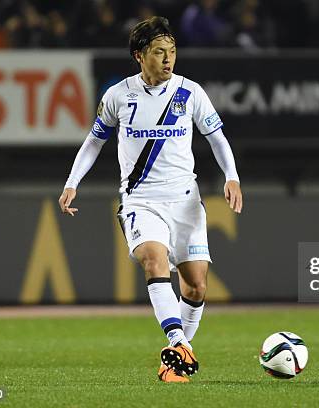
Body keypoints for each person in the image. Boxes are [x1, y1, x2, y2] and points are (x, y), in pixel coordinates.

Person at [58, 16, 243, 382]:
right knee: (154, 260)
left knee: (196, 286)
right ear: (140, 55)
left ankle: (176, 360)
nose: (168, 59)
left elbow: (217, 138)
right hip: (141, 200)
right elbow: (94, 141)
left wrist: (232, 176)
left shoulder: (190, 92)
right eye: (159, 52)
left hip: (186, 201)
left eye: (172, 51)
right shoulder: (118, 96)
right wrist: (71, 182)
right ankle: (176, 339)